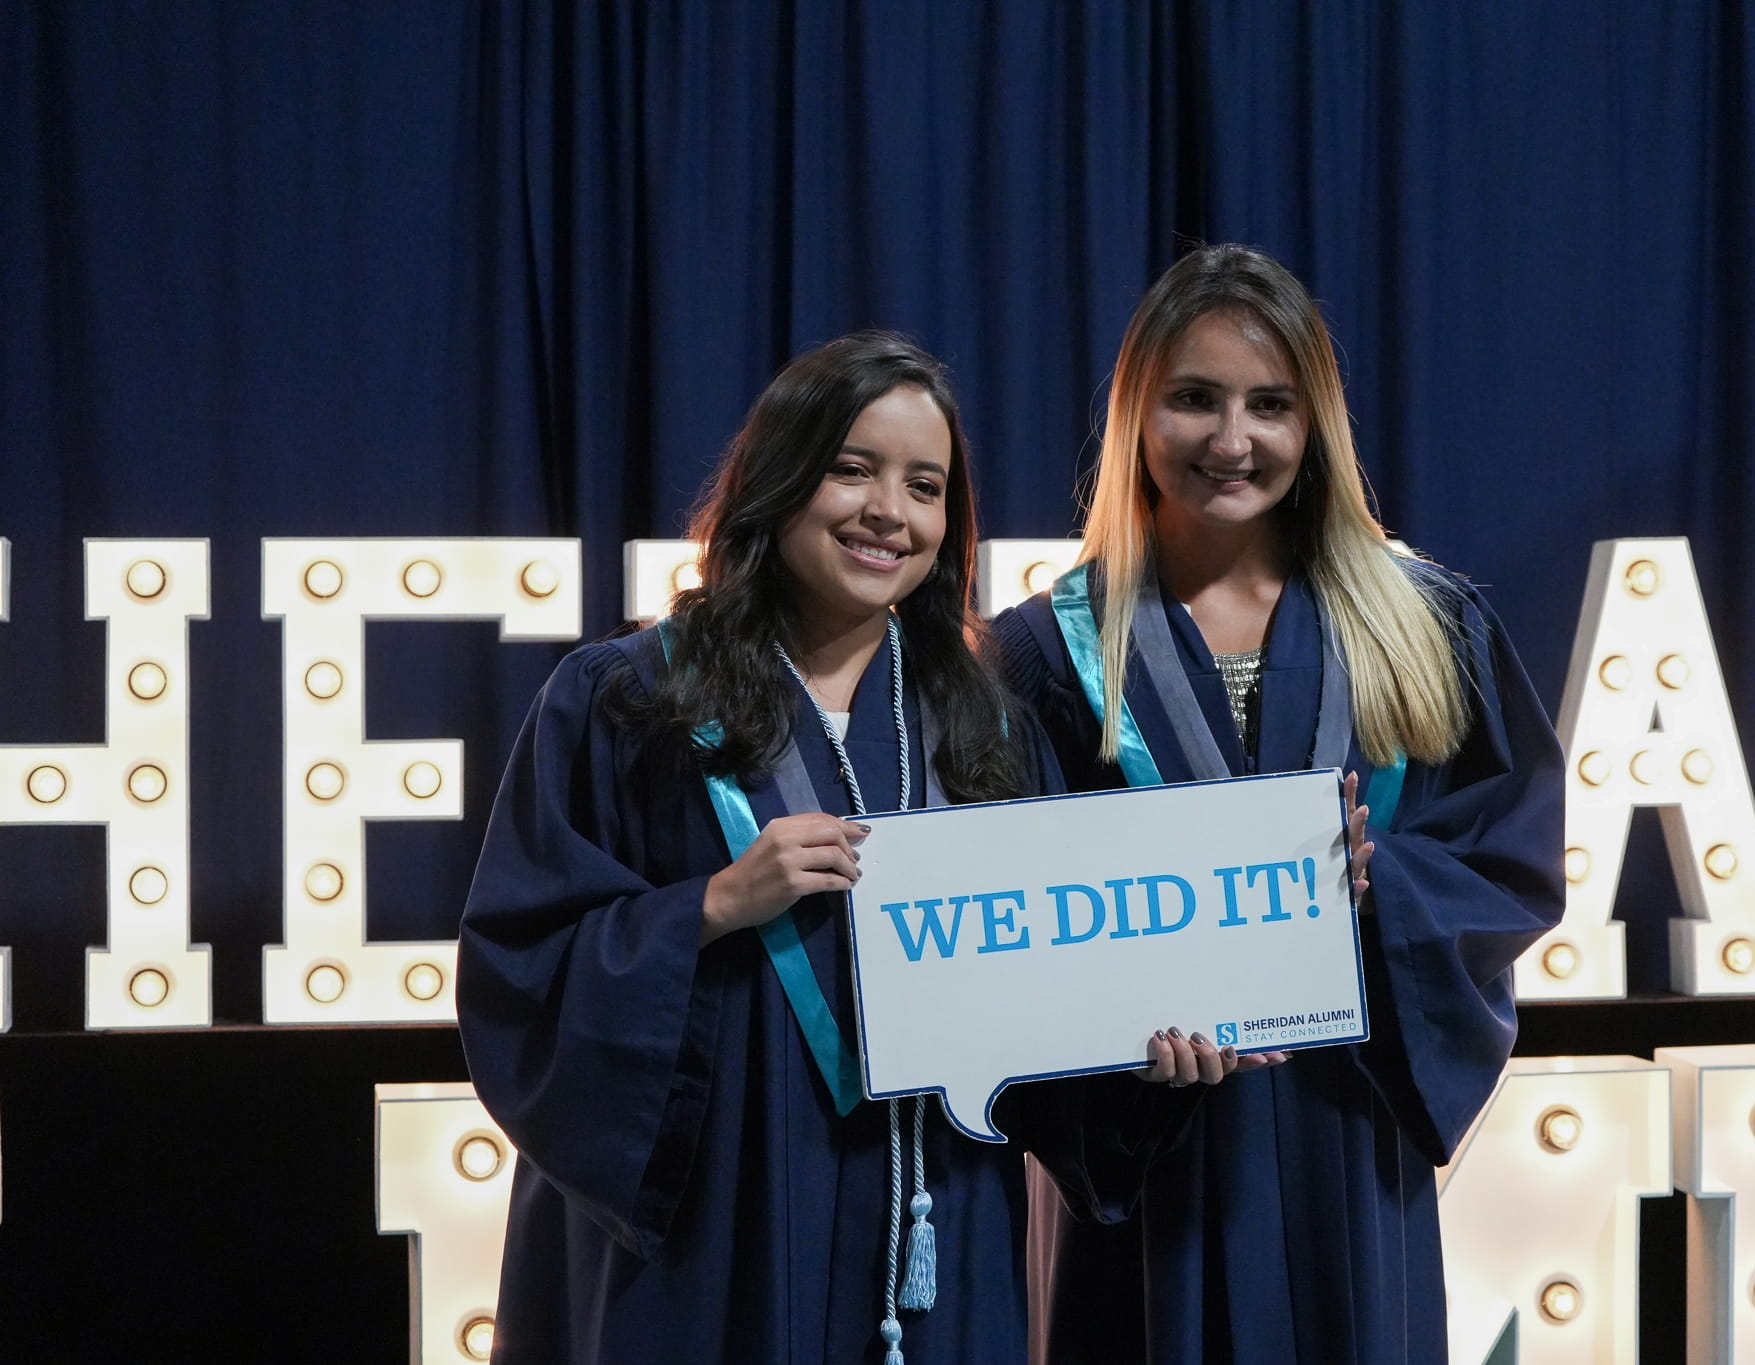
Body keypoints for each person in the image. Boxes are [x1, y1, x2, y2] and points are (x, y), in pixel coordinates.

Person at [457, 331, 1237, 1365]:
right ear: (779, 480)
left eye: (924, 487)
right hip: (712, 1213)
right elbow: (520, 964)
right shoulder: (631, 698)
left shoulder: (986, 729)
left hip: (935, 1208)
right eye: (850, 470)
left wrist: (1145, 1063)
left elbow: (1050, 1003)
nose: (889, 513)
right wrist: (709, 906)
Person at [993, 246, 1566, 1364]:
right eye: (1192, 400)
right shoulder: (1043, 656)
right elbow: (1011, 931)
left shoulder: (1422, 626)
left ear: (1315, 428)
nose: (1230, 440)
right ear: (1134, 417)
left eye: (1269, 405)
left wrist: (1378, 885)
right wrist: (1121, 1047)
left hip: (1339, 1144)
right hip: (1149, 1154)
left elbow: (1506, 859)